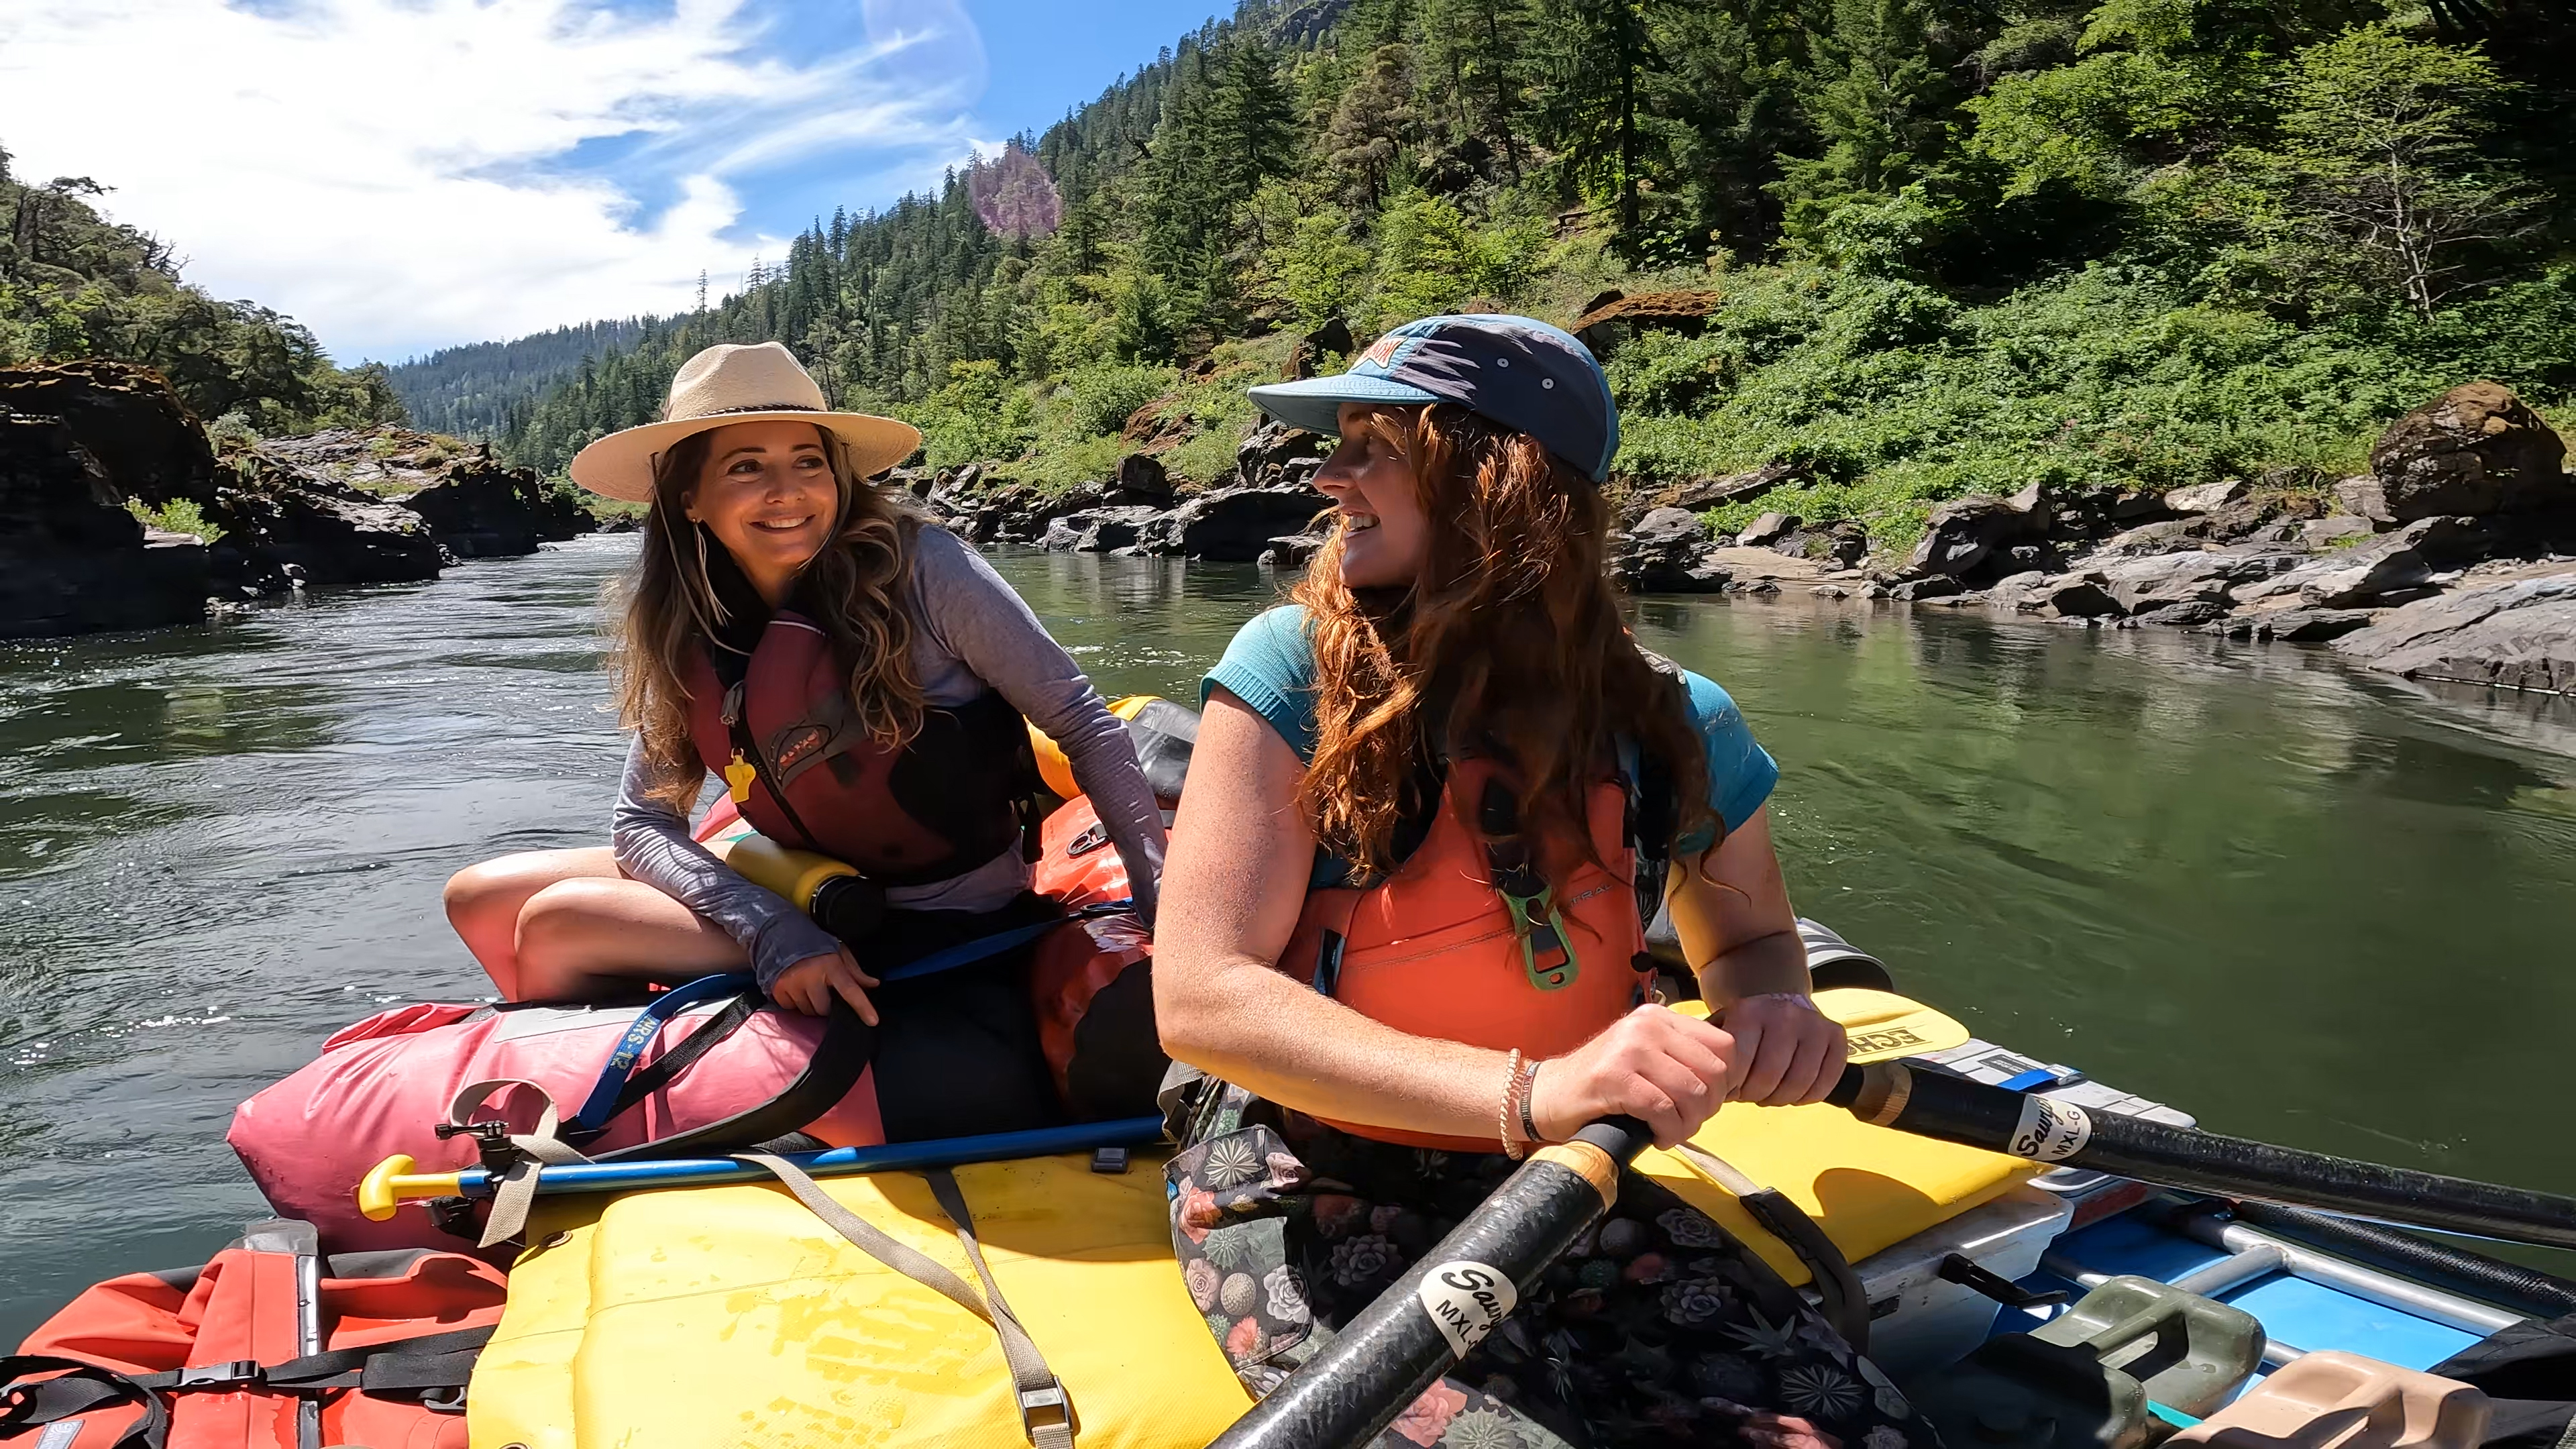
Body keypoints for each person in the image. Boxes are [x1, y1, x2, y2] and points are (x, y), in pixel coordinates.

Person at [1152, 315, 1933, 1448]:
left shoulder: (1676, 719)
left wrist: (1775, 1006)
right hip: (1303, 1172)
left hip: (1575, 1172)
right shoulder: (1286, 671)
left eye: (1377, 446)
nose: (1329, 477)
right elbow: (1203, 997)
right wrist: (1530, 1092)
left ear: (1496, 479)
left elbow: (1752, 943)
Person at [442, 343, 1165, 1135]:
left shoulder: (927, 571)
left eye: (808, 462)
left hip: (931, 914)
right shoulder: (691, 618)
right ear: (691, 499)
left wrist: (1159, 891)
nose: (787, 492)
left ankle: (581, 1121)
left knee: (557, 921)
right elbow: (641, 822)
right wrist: (769, 926)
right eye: (747, 467)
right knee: (479, 895)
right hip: (805, 888)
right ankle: (590, 1074)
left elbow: (1083, 725)